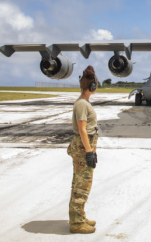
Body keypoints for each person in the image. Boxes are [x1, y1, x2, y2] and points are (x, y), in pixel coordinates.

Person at [68, 65, 99, 234]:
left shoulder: (85, 103)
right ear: (92, 86)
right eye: (96, 84)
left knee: (79, 184)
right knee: (82, 186)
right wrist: (88, 151)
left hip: (86, 147)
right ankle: (77, 223)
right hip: (82, 149)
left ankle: (79, 216)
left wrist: (92, 150)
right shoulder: (82, 104)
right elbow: (82, 130)